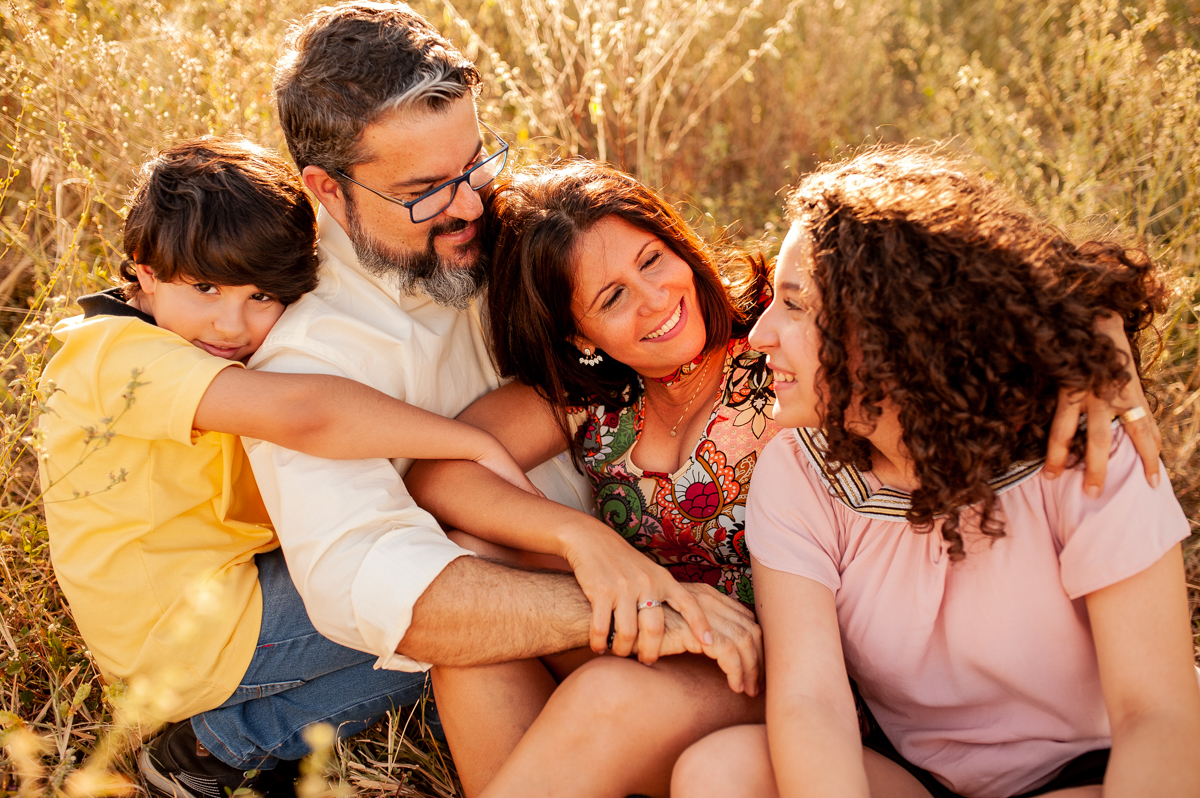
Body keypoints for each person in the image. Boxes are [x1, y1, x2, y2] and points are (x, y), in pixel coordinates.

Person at [403, 158, 1166, 798]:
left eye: (653, 261)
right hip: (682, 643)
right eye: (611, 298)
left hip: (780, 660)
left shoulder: (778, 357)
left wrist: (1100, 355)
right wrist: (586, 544)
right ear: (581, 335)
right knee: (475, 598)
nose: (654, 301)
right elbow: (444, 469)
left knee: (622, 704)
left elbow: (933, 274)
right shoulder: (607, 401)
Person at [253, 5, 758, 793]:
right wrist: (621, 589)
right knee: (472, 620)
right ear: (329, 188)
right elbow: (385, 591)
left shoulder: (518, 230)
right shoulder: (311, 360)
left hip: (693, 601)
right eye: (424, 190)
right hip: (603, 613)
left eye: (475, 163)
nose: (468, 205)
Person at [669, 148, 1200, 798]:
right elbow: (813, 705)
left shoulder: (1080, 445)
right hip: (922, 780)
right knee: (720, 773)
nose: (761, 334)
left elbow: (1159, 718)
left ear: (890, 330)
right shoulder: (798, 469)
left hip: (1094, 772)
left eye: (796, 306)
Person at [36, 136, 551, 798]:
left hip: (220, 589)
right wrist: (470, 442)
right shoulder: (115, 356)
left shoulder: (175, 335)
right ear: (144, 273)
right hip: (185, 631)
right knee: (447, 613)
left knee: (435, 591)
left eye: (261, 296)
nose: (232, 323)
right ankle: (215, 747)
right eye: (206, 288)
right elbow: (308, 413)